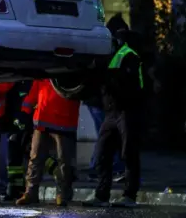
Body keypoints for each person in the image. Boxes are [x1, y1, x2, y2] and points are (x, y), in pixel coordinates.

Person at [83, 28, 144, 208]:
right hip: (111, 112)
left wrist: (107, 76)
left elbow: (133, 85)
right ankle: (102, 196)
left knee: (129, 153)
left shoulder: (130, 56)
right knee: (103, 153)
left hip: (127, 111)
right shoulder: (108, 55)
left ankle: (130, 196)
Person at [15, 79, 81, 207]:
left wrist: (25, 111)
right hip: (43, 119)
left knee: (64, 161)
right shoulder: (46, 68)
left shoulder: (71, 71)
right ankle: (31, 192)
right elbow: (35, 91)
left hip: (63, 121)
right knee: (35, 158)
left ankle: (63, 194)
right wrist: (24, 111)